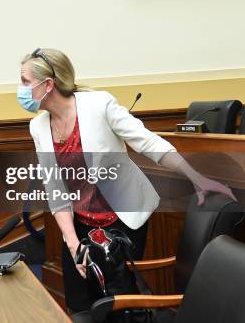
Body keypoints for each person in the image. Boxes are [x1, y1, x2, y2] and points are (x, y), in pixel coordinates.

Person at [18, 48, 235, 312]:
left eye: (25, 81)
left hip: (121, 218)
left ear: (48, 84)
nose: (21, 89)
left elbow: (147, 141)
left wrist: (196, 176)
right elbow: (56, 190)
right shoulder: (38, 126)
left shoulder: (98, 104)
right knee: (79, 302)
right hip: (78, 223)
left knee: (117, 299)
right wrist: (73, 242)